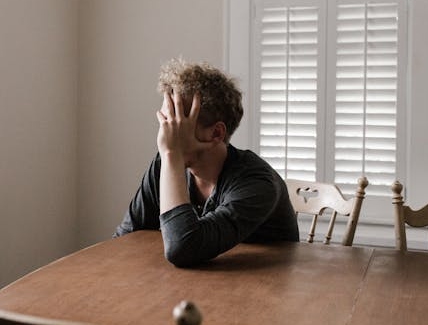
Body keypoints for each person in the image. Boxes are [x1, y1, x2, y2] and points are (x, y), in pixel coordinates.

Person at [114, 57, 299, 267]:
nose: (165, 134)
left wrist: (172, 154)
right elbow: (125, 238)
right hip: (193, 286)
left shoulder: (257, 183)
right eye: (165, 121)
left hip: (264, 290)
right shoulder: (165, 164)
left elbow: (183, 248)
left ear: (216, 133)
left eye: (176, 123)